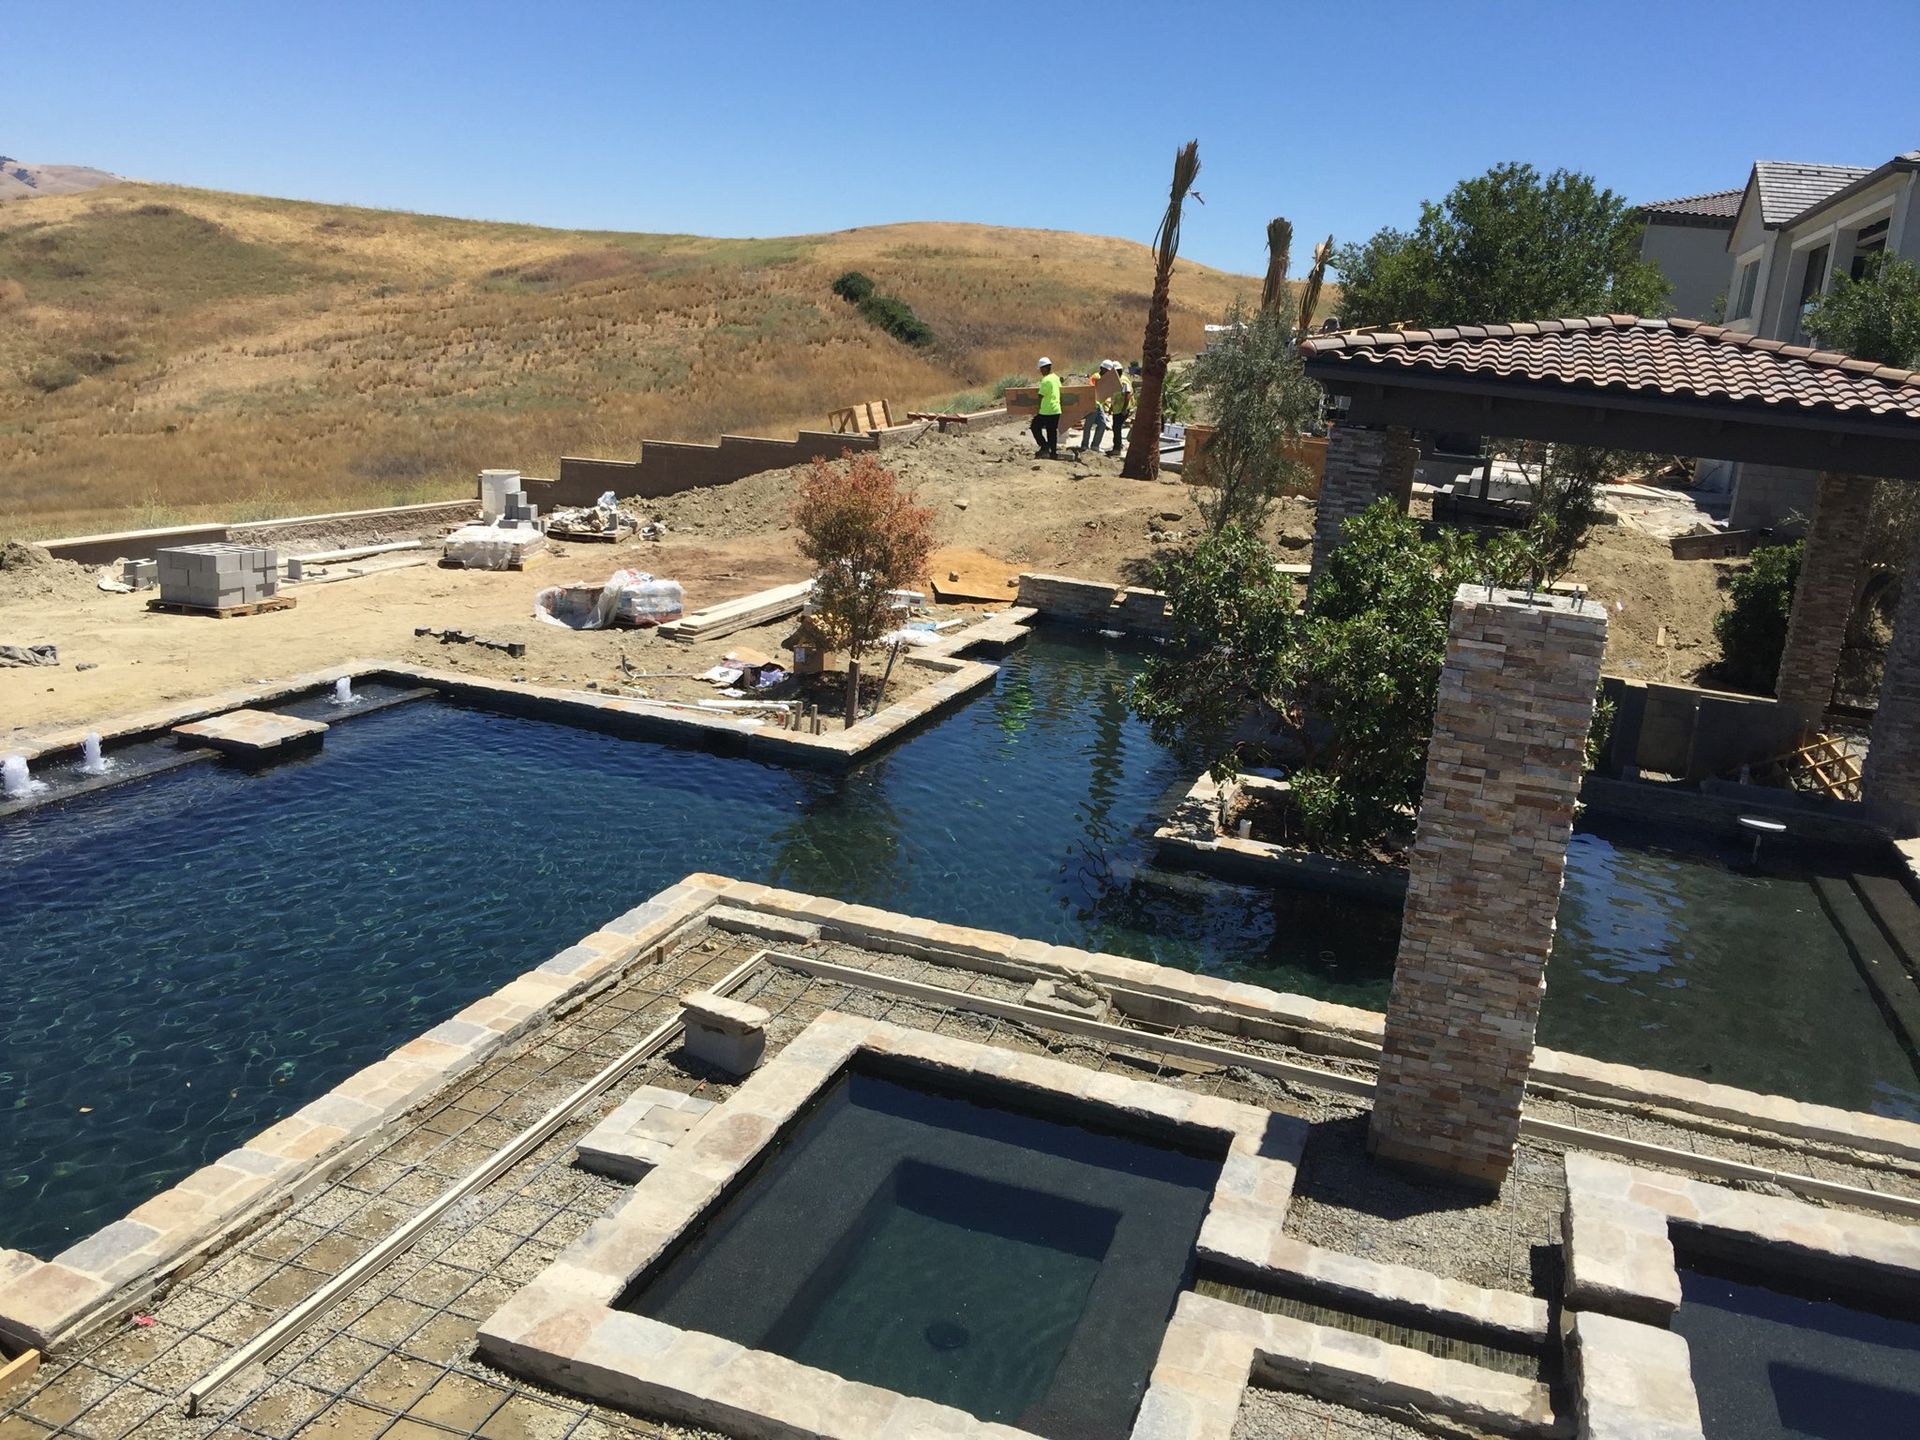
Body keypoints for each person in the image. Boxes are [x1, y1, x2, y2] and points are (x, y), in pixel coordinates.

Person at [1030, 357, 1062, 458]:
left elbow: (1040, 396)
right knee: (1052, 432)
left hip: (1046, 411)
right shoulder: (1056, 378)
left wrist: (1036, 409)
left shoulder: (1045, 380)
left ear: (1044, 368)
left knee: (1034, 427)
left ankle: (1044, 446)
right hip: (1056, 409)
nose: (1040, 371)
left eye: (1041, 369)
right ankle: (1053, 453)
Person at [1078, 361, 1110, 455]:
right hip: (1092, 405)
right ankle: (1085, 445)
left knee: (1102, 424)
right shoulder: (1096, 377)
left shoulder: (1105, 378)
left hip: (1099, 405)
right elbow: (1091, 388)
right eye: (1107, 370)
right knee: (1088, 425)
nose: (1108, 372)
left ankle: (1095, 445)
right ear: (1102, 369)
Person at [1107, 361, 1133, 456]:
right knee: (1116, 428)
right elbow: (1115, 395)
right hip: (1117, 409)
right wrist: (1111, 407)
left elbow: (1127, 395)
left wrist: (1124, 408)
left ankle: (1117, 449)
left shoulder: (1123, 381)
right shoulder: (1116, 380)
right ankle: (1118, 446)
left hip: (1122, 409)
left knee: (1116, 428)